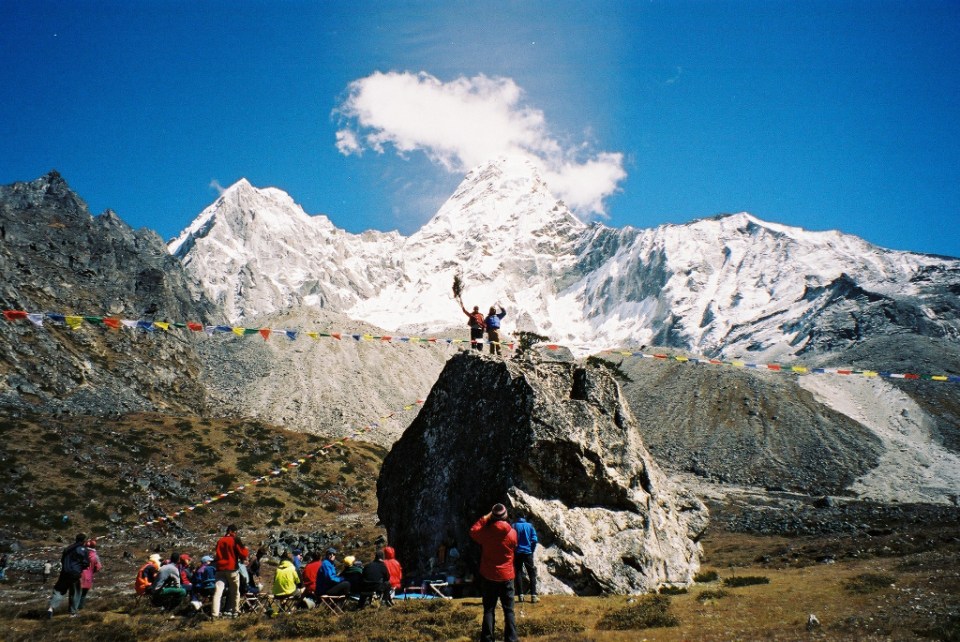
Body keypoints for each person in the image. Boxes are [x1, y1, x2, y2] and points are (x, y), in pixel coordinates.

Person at [470, 504, 518, 642]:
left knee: (489, 609)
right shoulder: (512, 533)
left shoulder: (486, 533)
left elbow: (473, 531)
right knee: (509, 610)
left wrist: (486, 517)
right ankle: (511, 639)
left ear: (493, 516)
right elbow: (515, 546)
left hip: (489, 575)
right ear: (506, 515)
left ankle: (487, 639)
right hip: (507, 575)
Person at [47, 533, 90, 618]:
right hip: (75, 574)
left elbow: (62, 560)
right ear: (84, 540)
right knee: (75, 592)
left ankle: (51, 608)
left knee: (59, 590)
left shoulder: (68, 548)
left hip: (64, 573)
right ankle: (73, 613)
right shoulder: (83, 549)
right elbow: (86, 563)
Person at [212, 524, 249, 618]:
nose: (236, 534)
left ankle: (214, 614)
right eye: (235, 532)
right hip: (232, 568)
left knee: (218, 591)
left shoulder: (220, 540)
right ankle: (235, 611)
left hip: (220, 569)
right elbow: (243, 554)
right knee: (235, 591)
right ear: (232, 531)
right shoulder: (235, 540)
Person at [512, 516, 539, 603]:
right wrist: (532, 549)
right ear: (525, 518)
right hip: (528, 553)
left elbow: (511, 539)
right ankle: (533, 596)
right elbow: (534, 540)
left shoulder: (514, 526)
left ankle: (520, 596)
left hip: (518, 553)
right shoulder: (530, 526)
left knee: (518, 573)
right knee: (531, 573)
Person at [77, 538, 103, 610]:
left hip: (78, 575)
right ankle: (80, 608)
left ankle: (72, 609)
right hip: (88, 577)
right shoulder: (95, 556)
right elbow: (98, 567)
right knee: (83, 594)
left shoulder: (81, 553)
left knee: (76, 592)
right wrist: (92, 571)